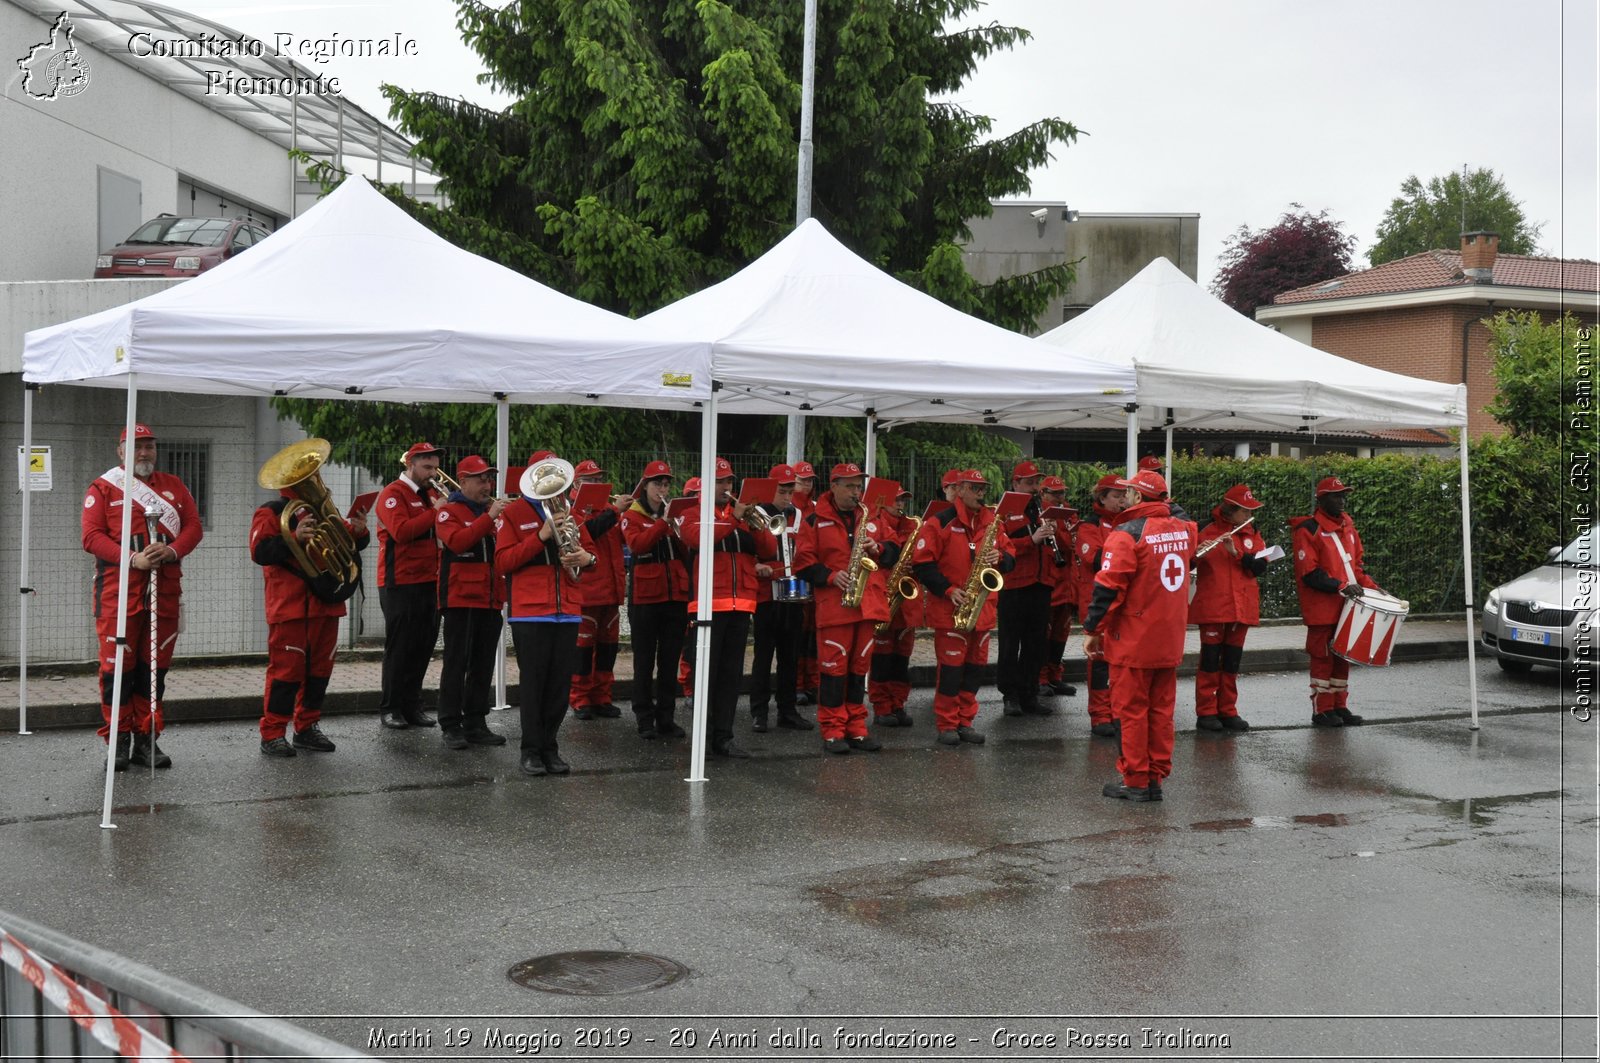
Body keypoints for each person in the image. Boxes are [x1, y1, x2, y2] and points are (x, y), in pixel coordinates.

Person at [81, 423, 203, 770]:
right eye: (136, 447)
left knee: (154, 670)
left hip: (164, 589)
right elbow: (91, 536)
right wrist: (132, 558)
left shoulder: (174, 487)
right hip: (117, 592)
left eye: (149, 446)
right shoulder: (103, 488)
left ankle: (147, 739)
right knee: (117, 670)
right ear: (121, 451)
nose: (144, 453)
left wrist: (174, 550)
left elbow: (193, 526)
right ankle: (118, 741)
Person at [1082, 471, 1197, 802]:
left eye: (1129, 492)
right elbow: (1182, 516)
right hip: (1170, 638)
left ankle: (1134, 779)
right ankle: (1155, 779)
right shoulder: (1183, 531)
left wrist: (1092, 629)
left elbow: (1108, 588)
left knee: (1129, 711)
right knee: (1161, 712)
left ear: (1135, 495)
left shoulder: (1125, 534)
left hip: (1134, 639)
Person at [496, 450, 597, 776]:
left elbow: (593, 555)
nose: (555, 488)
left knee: (559, 686)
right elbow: (503, 562)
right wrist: (540, 536)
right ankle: (530, 750)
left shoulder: (573, 512)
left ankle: (550, 747)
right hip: (531, 612)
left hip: (567, 610)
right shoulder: (513, 514)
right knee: (534, 684)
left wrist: (586, 559)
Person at [250, 480, 369, 757]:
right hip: (290, 605)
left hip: (326, 602)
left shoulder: (323, 511)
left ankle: (307, 727)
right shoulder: (270, 511)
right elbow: (259, 551)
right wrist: (292, 537)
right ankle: (273, 733)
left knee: (320, 671)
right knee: (286, 673)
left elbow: (349, 540)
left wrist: (360, 532)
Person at [678, 457, 778, 758]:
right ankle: (703, 739)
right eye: (720, 482)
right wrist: (734, 518)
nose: (726, 487)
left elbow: (769, 550)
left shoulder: (745, 516)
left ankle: (724, 736)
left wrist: (754, 523)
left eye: (729, 482)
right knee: (705, 675)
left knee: (731, 676)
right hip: (709, 604)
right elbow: (697, 539)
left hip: (742, 603)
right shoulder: (693, 514)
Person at [794, 462, 896, 754]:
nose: (856, 492)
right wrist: (829, 575)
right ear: (834, 485)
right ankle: (832, 730)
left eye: (859, 486)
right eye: (850, 486)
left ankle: (857, 729)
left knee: (858, 670)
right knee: (833, 670)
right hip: (836, 605)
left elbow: (895, 550)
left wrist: (879, 549)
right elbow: (802, 564)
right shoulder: (814, 520)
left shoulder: (870, 515)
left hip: (868, 604)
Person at [913, 469, 1016, 746]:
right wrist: (948, 590)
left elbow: (1011, 557)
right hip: (951, 609)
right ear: (959, 489)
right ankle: (947, 723)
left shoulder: (993, 521)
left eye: (983, 488)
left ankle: (965, 721)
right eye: (974, 488)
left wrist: (1002, 557)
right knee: (950, 670)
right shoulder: (939, 522)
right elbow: (922, 564)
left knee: (974, 669)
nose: (981, 493)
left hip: (983, 609)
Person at [1293, 476, 1382, 727]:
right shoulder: (1307, 530)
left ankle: (1339, 706)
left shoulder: (1349, 529)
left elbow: (1356, 569)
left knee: (1343, 657)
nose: (1341, 500)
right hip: (1322, 609)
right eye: (1335, 495)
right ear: (1320, 500)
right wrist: (1343, 587)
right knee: (1323, 659)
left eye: (1343, 495)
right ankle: (1321, 710)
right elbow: (1309, 574)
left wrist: (1375, 589)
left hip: (1347, 607)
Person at [434, 455, 508, 749]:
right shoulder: (448, 512)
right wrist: (489, 518)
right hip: (460, 598)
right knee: (456, 663)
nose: (486, 484)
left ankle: (476, 721)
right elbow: (458, 542)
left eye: (488, 479)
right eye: (479, 479)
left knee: (482, 664)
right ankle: (450, 723)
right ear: (462, 481)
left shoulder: (492, 512)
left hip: (490, 599)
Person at [375, 441, 446, 730]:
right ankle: (391, 707)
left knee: (422, 645)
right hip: (400, 581)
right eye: (427, 467)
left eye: (435, 467)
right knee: (400, 647)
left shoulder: (430, 494)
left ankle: (412, 705)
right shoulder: (393, 494)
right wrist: (435, 512)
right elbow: (402, 532)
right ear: (410, 464)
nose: (433, 472)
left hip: (430, 578)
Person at [1189, 483, 1269, 733]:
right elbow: (1184, 562)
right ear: (1230, 511)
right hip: (1214, 607)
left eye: (1249, 511)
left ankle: (1228, 710)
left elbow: (1259, 566)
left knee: (1232, 663)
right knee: (1210, 662)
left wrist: (1236, 552)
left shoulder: (1252, 533)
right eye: (1244, 511)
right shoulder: (1205, 530)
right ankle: (1206, 712)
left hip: (1241, 608)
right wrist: (1195, 555)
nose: (1248, 516)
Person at [622, 460, 691, 740]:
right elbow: (637, 545)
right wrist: (662, 523)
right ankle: (643, 717)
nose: (661, 489)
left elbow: (688, 550)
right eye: (656, 484)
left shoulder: (672, 516)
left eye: (665, 484)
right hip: (645, 598)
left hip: (675, 596)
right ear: (645, 486)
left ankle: (666, 717)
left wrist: (676, 527)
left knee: (670, 658)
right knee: (644, 660)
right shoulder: (632, 515)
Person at [748, 464, 813, 733]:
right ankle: (759, 712)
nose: (787, 497)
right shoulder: (757, 513)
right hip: (766, 594)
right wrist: (756, 566)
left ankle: (787, 710)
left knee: (790, 655)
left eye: (790, 491)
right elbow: (748, 550)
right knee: (763, 656)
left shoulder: (798, 514)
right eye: (782, 491)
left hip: (793, 593)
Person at [567, 458, 631, 720]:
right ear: (577, 483)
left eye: (598, 479)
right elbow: (587, 533)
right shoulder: (574, 509)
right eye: (590, 479)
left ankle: (602, 697)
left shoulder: (607, 509)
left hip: (611, 591)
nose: (596, 483)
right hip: (589, 591)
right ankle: (580, 699)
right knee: (582, 650)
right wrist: (615, 512)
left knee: (608, 648)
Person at [996, 460, 1058, 717]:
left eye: (1036, 483)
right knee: (1010, 644)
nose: (1034, 487)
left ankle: (1029, 694)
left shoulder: (1042, 508)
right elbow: (1000, 544)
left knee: (1036, 644)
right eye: (1029, 483)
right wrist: (1030, 541)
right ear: (1016, 483)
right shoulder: (1005, 510)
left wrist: (1054, 533)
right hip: (1015, 585)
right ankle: (1010, 695)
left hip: (1041, 583)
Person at [1075, 474, 1129, 738]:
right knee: (1099, 663)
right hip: (1098, 602)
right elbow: (1096, 559)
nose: (1122, 500)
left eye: (1124, 495)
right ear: (1102, 498)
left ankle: (1117, 713)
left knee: (1121, 663)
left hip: (1125, 604)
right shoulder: (1088, 526)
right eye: (1116, 496)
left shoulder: (1130, 523)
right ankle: (1100, 715)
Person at [869, 487, 920, 727]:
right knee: (881, 659)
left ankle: (898, 703)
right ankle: (881, 707)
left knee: (901, 660)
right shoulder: (874, 523)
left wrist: (916, 565)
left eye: (902, 500)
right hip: (884, 597)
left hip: (907, 602)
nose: (900, 504)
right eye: (896, 499)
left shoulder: (912, 525)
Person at [1036, 476, 1078, 698]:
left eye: (1062, 492)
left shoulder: (1069, 513)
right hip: (1052, 582)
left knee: (1062, 633)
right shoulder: (1039, 514)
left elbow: (1074, 543)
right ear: (1043, 494)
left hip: (1069, 581)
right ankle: (1041, 677)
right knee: (1045, 632)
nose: (1060, 497)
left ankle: (1055, 676)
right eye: (1055, 493)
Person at [790, 459, 821, 707]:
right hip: (795, 574)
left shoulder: (816, 507)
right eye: (803, 480)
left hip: (813, 574)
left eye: (810, 480)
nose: (807, 484)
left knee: (813, 632)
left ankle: (812, 682)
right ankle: (798, 684)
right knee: (798, 634)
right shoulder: (790, 507)